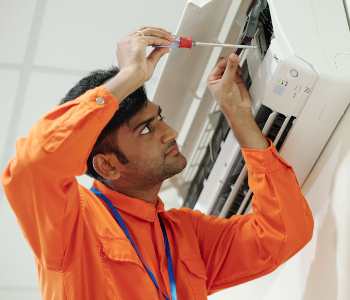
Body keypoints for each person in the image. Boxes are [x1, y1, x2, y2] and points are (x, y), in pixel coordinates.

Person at [1, 26, 314, 300]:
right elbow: (34, 164)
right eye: (146, 129)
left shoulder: (185, 233)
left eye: (159, 118)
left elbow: (284, 232)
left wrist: (240, 118)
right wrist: (129, 77)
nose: (171, 133)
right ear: (107, 165)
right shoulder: (73, 224)